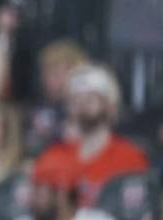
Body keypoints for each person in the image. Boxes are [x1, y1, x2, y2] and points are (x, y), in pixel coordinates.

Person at [32, 65, 149, 208]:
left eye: (91, 96)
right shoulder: (53, 157)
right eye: (76, 97)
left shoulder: (130, 157)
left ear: (110, 103)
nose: (82, 102)